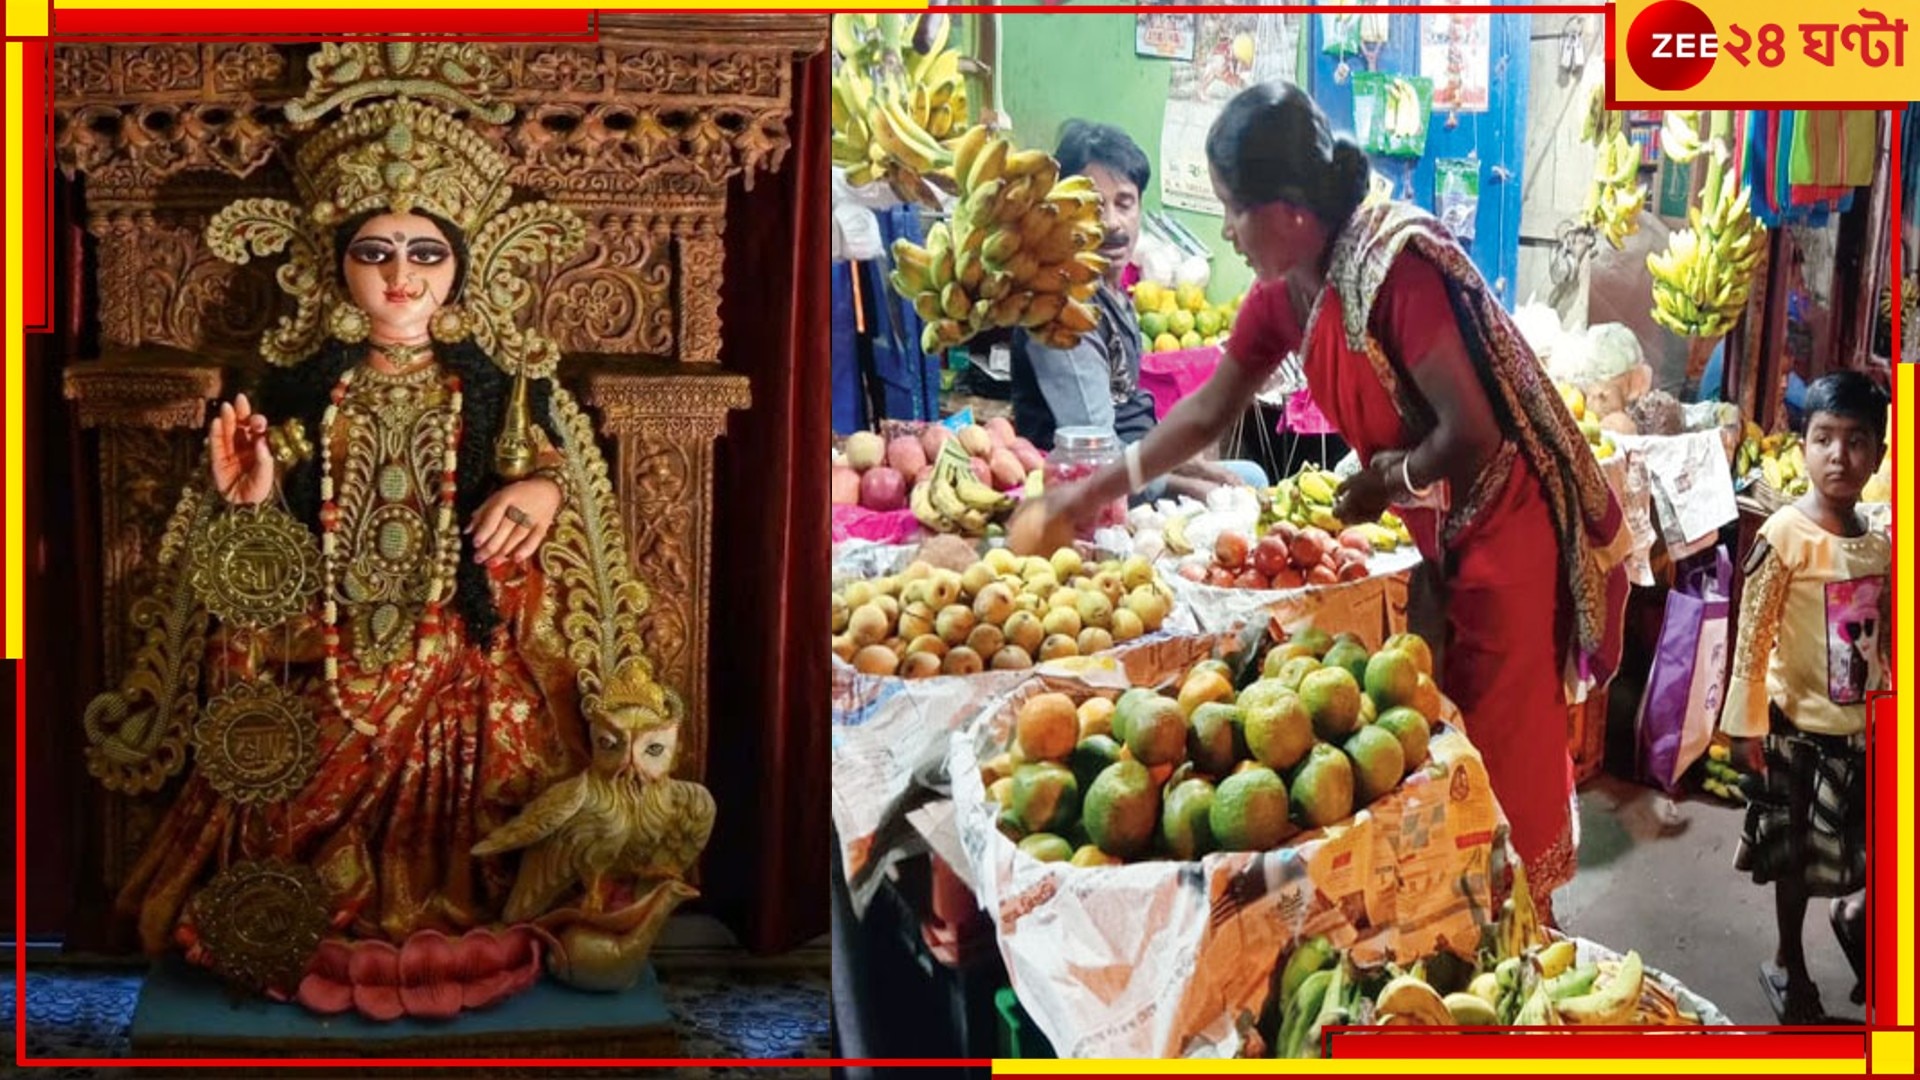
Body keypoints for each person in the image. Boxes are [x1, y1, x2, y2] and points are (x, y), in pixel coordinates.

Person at [84, 58, 702, 1010]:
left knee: (493, 699)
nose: (401, 276)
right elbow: (269, 549)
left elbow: (564, 499)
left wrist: (540, 489)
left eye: (425, 254)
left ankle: (454, 910)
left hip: (458, 653)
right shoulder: (305, 389)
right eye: (377, 252)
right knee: (275, 732)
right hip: (329, 644)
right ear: (337, 265)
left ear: (459, 269)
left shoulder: (495, 387)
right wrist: (248, 500)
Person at [1035, 81, 1631, 921]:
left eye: (1235, 210)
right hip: (1441, 529)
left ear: (1289, 209)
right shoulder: (1287, 289)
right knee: (1444, 738)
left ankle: (1531, 931)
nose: (1229, 231)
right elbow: (1211, 408)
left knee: (1502, 741)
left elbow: (1472, 431)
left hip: (1505, 524)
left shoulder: (1397, 269)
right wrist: (1100, 487)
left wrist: (1385, 481)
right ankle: (1467, 920)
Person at [1720, 371, 1889, 1024]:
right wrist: (1745, 726)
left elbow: (1887, 640)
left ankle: (1856, 918)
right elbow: (1752, 636)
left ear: (1877, 454)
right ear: (1804, 445)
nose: (1838, 456)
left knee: (1858, 849)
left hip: (1860, 729)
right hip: (1796, 729)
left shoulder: (1879, 545)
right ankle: (1790, 959)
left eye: (1856, 442)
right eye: (1824, 438)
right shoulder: (1782, 535)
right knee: (1793, 859)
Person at [1009, 119, 1265, 501]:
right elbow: (1093, 457)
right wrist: (1188, 486)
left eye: (1124, 203)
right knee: (1238, 491)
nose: (1112, 223)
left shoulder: (1114, 294)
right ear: (1063, 212)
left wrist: (1196, 466)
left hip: (1133, 467)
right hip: (1083, 495)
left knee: (1249, 477)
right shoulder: (1062, 313)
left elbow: (1132, 427)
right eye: (1093, 206)